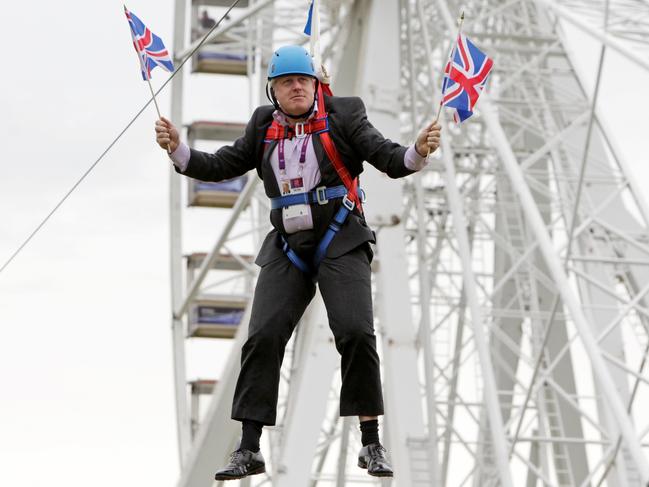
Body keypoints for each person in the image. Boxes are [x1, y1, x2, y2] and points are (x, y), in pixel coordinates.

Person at [155, 44, 441, 481]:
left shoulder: (345, 114)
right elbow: (221, 164)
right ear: (273, 90)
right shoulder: (263, 126)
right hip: (288, 245)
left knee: (355, 331)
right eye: (287, 82)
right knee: (263, 336)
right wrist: (178, 150)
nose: (297, 88)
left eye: (304, 81)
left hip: (341, 239)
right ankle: (248, 448)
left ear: (316, 85)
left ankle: (370, 442)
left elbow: (386, 156)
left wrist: (417, 152)